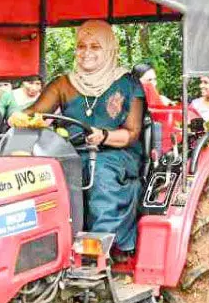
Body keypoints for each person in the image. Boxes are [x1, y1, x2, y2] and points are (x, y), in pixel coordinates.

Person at [21, 20, 144, 259]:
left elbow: (132, 133)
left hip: (115, 153)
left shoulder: (127, 83)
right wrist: (20, 118)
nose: (86, 53)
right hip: (70, 151)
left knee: (100, 173)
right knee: (41, 172)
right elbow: (34, 112)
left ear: (109, 49)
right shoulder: (63, 83)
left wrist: (104, 135)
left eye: (95, 46)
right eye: (81, 46)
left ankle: (99, 253)